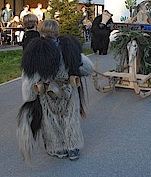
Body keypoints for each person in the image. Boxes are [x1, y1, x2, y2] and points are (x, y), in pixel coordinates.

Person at [17, 19, 94, 161]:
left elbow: (29, 79)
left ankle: (58, 149)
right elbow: (87, 68)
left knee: (51, 120)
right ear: (57, 32)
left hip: (47, 93)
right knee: (70, 118)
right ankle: (73, 148)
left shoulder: (36, 51)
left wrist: (29, 98)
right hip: (69, 90)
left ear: (41, 32)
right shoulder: (69, 48)